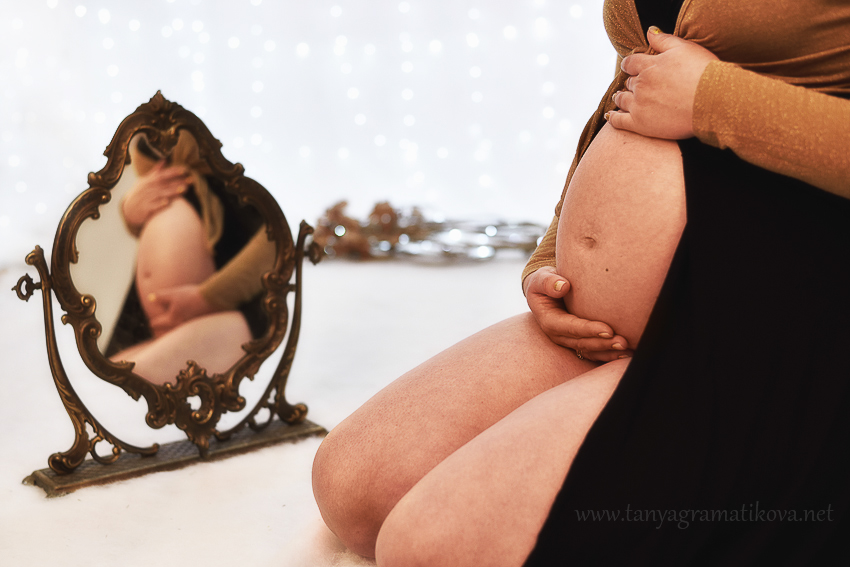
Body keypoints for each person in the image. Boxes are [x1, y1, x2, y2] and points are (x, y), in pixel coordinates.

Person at [312, 1, 850, 565]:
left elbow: (690, 89)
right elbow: (635, 80)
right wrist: (554, 256)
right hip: (622, 321)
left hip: (775, 314)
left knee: (429, 548)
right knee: (354, 487)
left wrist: (713, 100)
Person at [107, 131, 275, 385]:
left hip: (237, 302)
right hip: (152, 322)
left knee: (116, 388)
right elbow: (152, 153)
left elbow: (280, 235)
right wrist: (130, 209)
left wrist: (209, 298)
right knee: (98, 382)